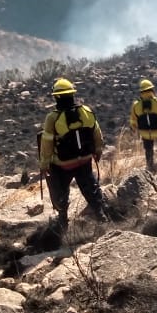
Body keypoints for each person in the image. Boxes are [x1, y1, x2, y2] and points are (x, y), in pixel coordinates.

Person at [39, 77, 108, 230]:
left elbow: (47, 144)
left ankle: (63, 220)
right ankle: (101, 216)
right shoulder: (86, 112)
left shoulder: (53, 118)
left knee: (60, 192)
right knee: (90, 187)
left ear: (56, 97)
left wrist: (44, 164)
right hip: (84, 159)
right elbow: (97, 134)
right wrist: (97, 151)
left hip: (62, 164)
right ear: (72, 94)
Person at [129, 78, 157, 171]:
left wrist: (136, 129)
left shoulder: (136, 105)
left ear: (141, 92)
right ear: (152, 90)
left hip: (145, 133)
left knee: (148, 150)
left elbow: (133, 121)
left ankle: (150, 166)